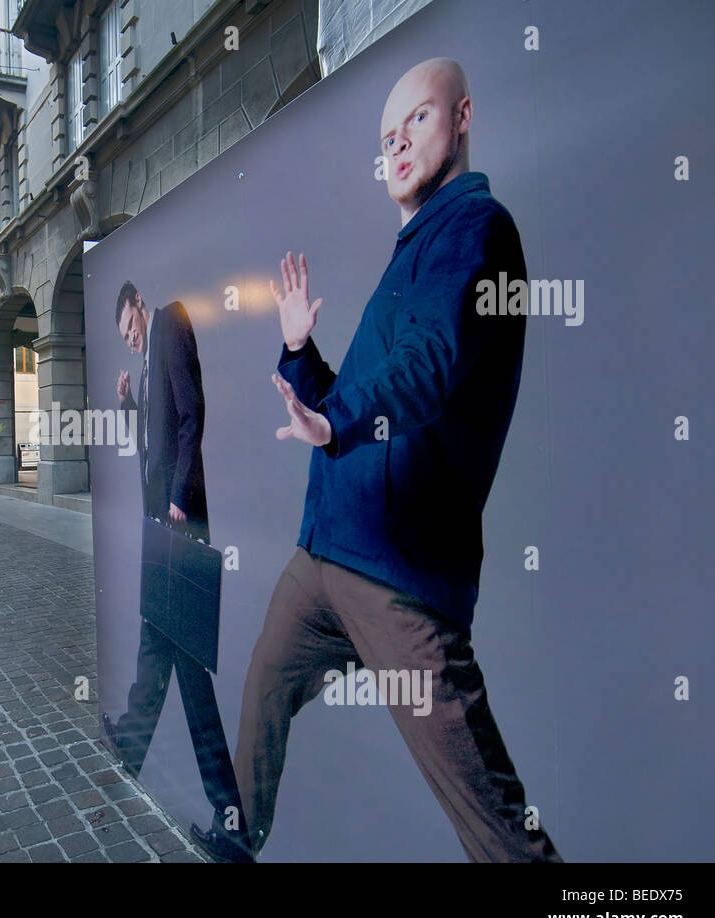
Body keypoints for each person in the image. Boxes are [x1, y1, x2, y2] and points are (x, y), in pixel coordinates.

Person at [231, 58, 561, 862]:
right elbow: (359, 399)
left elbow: (429, 367)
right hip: (326, 552)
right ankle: (234, 840)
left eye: (417, 119)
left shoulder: (477, 233)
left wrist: (335, 417)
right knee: (263, 692)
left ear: (462, 115)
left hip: (398, 577)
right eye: (387, 135)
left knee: (491, 820)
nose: (399, 144)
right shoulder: (413, 245)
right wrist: (303, 355)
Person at [103, 281, 254, 863]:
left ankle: (233, 826)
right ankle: (132, 746)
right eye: (125, 336)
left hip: (178, 525)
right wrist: (129, 408)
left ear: (141, 305)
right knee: (157, 644)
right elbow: (156, 434)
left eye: (131, 326)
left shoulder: (170, 321)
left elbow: (193, 415)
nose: (132, 336)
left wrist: (176, 499)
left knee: (187, 671)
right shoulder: (146, 357)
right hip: (161, 529)